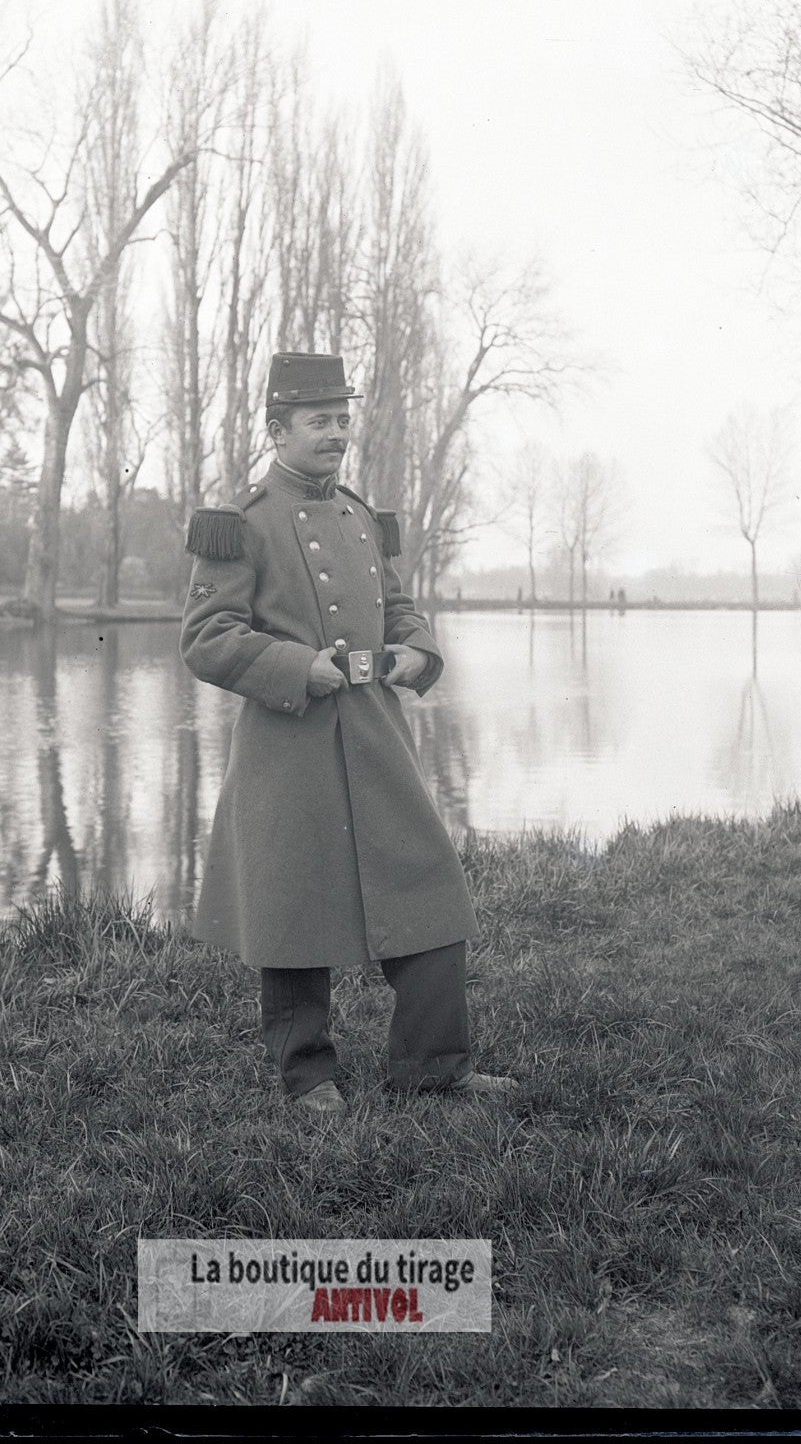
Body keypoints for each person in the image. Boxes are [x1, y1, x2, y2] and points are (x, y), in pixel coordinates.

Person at [179, 352, 517, 1119]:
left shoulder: (360, 515)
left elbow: (399, 606)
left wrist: (415, 650)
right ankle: (307, 1076)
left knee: (430, 885)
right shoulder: (239, 525)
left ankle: (434, 1067)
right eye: (318, 422)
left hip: (375, 732)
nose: (336, 435)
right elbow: (206, 636)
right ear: (277, 429)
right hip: (288, 743)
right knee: (291, 908)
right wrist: (300, 668)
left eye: (341, 420)